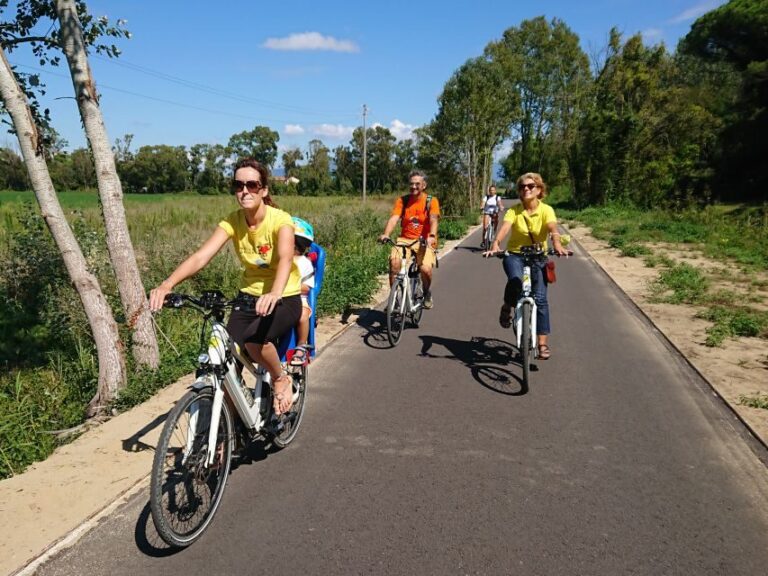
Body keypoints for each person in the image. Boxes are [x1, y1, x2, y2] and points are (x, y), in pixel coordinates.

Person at [149, 158, 302, 415]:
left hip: (284, 295)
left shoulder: (280, 220)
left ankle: (279, 378)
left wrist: (274, 293)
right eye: (238, 185)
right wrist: (167, 284)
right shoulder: (232, 221)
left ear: (264, 190)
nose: (245, 191)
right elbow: (201, 257)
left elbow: (286, 258)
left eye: (252, 185)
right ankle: (226, 431)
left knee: (254, 341)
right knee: (226, 356)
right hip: (248, 296)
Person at [484, 172, 568, 360]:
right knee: (515, 281)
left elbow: (553, 228)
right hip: (515, 255)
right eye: (522, 187)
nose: (526, 189)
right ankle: (507, 305)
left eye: (530, 186)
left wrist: (557, 244)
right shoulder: (514, 210)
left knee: (541, 299)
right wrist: (496, 242)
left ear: (539, 189)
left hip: (539, 257)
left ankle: (542, 344)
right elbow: (505, 228)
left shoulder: (547, 210)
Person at [378, 170, 440, 309]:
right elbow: (394, 218)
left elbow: (433, 219)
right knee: (394, 264)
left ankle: (426, 292)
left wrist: (431, 236)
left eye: (417, 184)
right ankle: (394, 298)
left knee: (425, 270)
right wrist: (386, 233)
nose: (414, 187)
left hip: (424, 240)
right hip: (404, 240)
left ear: (424, 185)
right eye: (411, 184)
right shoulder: (403, 200)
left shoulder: (431, 201)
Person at [290, 216, 315, 366]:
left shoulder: (304, 263)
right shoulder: (277, 260)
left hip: (299, 298)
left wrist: (287, 288)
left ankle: (301, 345)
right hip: (277, 298)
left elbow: (307, 286)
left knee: (302, 316)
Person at [480, 184, 504, 248]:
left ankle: (494, 230)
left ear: (495, 191)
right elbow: (483, 203)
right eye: (490, 190)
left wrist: (501, 207)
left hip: (494, 212)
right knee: (485, 227)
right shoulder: (486, 197)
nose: (492, 191)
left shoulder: (497, 197)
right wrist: (482, 206)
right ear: (489, 191)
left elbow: (499, 203)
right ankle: (483, 241)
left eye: (493, 190)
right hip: (487, 212)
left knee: (496, 222)